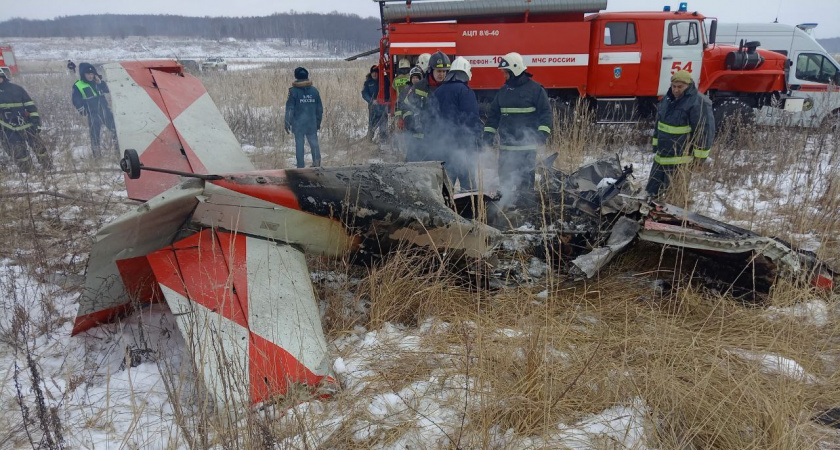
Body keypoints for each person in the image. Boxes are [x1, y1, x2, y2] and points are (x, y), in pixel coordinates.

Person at [483, 52, 553, 201]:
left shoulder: (535, 90)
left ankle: (526, 215)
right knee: (505, 184)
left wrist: (542, 134)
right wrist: (488, 135)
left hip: (526, 150)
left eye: (506, 72)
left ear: (515, 69)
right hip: (506, 149)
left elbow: (546, 113)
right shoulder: (503, 91)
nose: (504, 76)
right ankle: (505, 212)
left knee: (525, 187)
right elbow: (493, 116)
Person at [645, 70, 715, 200]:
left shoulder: (698, 102)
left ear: (688, 86)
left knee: (673, 199)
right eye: (674, 86)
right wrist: (656, 148)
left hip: (680, 160)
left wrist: (699, 159)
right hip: (661, 158)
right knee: (650, 194)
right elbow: (659, 125)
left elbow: (704, 131)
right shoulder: (667, 99)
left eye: (680, 87)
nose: (676, 90)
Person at [431, 57, 482, 190]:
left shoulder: (438, 91)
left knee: (446, 185)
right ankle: (470, 208)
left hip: (442, 145)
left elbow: (431, 118)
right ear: (466, 73)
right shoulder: (465, 91)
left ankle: (445, 207)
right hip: (462, 146)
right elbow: (472, 119)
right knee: (468, 184)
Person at [403, 51, 450, 162]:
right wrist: (412, 124)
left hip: (440, 141)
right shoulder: (419, 87)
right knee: (412, 171)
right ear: (430, 70)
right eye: (438, 71)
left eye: (444, 71)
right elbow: (406, 107)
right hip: (418, 141)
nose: (441, 74)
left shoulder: (449, 88)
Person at [0, 71, 50, 171]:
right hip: (8, 128)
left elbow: (30, 106)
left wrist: (36, 123)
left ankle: (48, 167)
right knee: (18, 152)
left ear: (2, 77)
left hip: (28, 125)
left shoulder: (17, 89)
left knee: (39, 148)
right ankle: (28, 171)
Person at [72, 63, 117, 157]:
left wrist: (100, 83)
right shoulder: (78, 85)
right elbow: (76, 100)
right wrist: (83, 111)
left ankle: (118, 152)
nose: (90, 75)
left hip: (105, 111)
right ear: (83, 74)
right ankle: (97, 157)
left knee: (115, 130)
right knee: (95, 136)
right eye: (88, 73)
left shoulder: (98, 81)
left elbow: (107, 90)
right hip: (92, 114)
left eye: (92, 73)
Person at [285, 66, 323, 168]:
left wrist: (287, 122)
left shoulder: (293, 91)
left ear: (296, 76)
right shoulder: (314, 91)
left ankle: (300, 167)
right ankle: (317, 164)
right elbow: (319, 109)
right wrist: (318, 123)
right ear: (307, 76)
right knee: (314, 144)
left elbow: (290, 109)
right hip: (312, 123)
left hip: (298, 125)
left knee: (299, 146)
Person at [361, 65, 389, 141]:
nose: (374, 74)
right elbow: (364, 93)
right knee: (372, 123)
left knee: (383, 122)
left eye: (376, 72)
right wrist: (371, 100)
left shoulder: (385, 80)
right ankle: (369, 139)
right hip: (373, 107)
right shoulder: (367, 83)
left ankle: (383, 139)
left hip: (383, 106)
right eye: (373, 73)